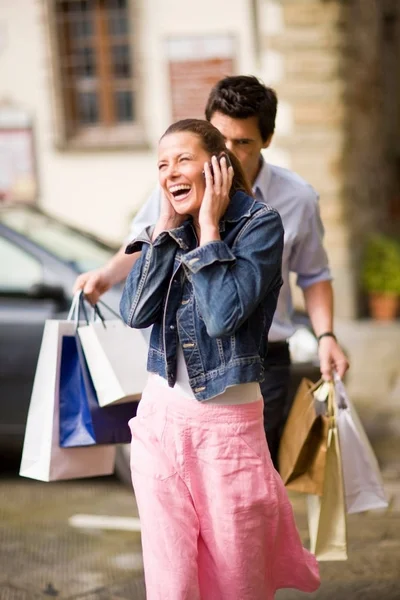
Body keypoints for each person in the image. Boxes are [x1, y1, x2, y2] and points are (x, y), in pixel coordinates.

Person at [74, 75, 349, 468]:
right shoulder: (176, 184)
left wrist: (326, 335)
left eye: (244, 142)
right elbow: (146, 246)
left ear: (266, 140)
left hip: (260, 357)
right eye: (222, 140)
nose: (231, 153)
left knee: (245, 483)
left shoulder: (292, 201)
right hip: (184, 357)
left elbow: (314, 274)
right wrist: (106, 275)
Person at [119, 118, 320, 600]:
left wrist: (209, 231)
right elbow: (134, 311)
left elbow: (223, 316)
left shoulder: (259, 225)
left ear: (217, 165)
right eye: (162, 164)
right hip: (159, 421)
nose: (171, 173)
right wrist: (166, 229)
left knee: (236, 580)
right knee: (171, 581)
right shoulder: (170, 225)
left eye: (183, 159)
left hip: (226, 433)